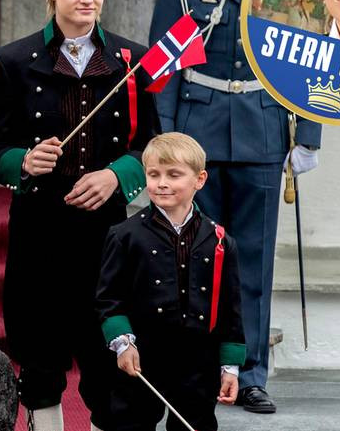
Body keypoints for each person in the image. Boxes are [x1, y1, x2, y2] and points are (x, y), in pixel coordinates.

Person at [148, 0, 322, 414]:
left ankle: (248, 374)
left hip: (263, 130)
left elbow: (310, 57)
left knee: (252, 261)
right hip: (196, 134)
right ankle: (198, 368)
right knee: (193, 256)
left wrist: (307, 135)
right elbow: (163, 62)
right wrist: (165, 141)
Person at [0, 0, 161, 431]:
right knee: (39, 357)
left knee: (106, 358)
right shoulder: (13, 60)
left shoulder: (132, 60)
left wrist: (116, 176)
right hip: (39, 230)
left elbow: (149, 145)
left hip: (107, 236)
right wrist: (24, 161)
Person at [97, 132, 245, 431]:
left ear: (199, 180)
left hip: (197, 359)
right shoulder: (124, 235)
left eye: (174, 175)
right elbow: (108, 299)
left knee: (195, 423)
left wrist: (229, 366)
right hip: (142, 354)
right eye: (154, 174)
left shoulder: (220, 240)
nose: (162, 182)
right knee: (131, 422)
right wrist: (123, 344)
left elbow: (231, 307)